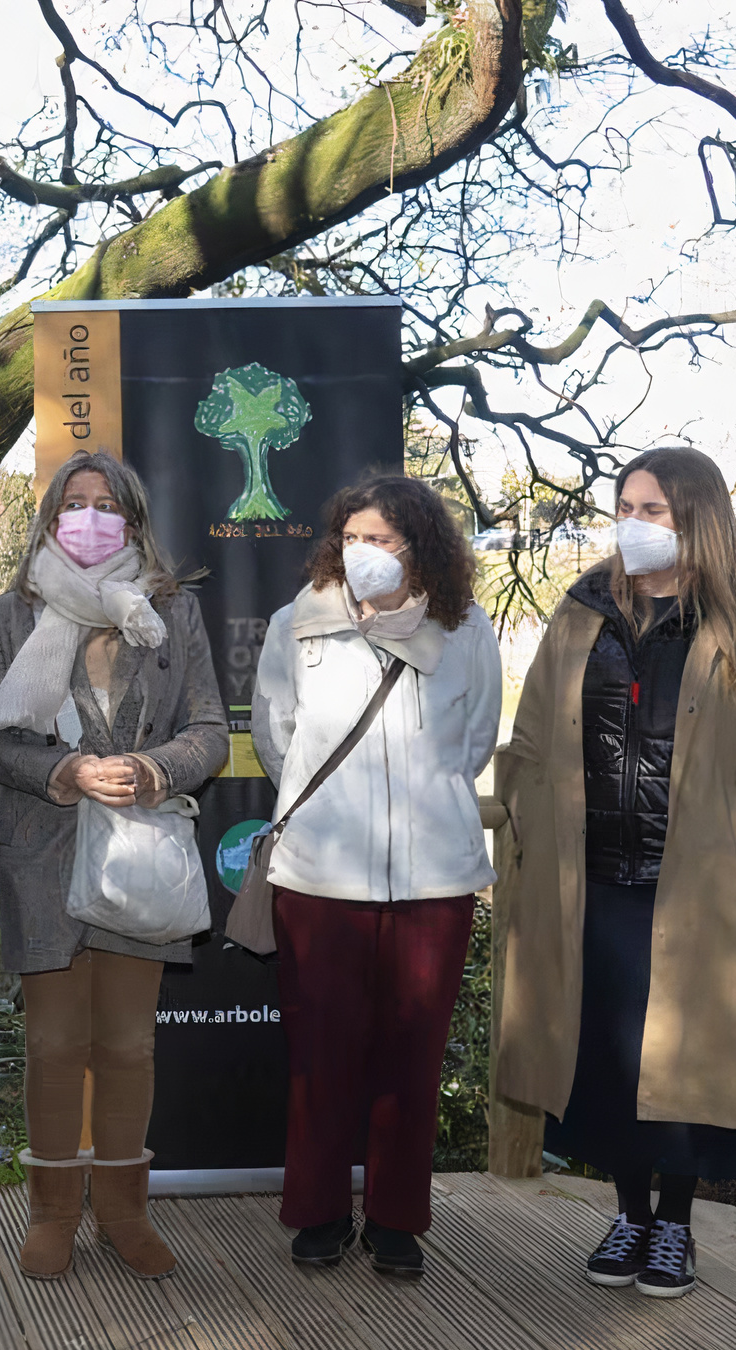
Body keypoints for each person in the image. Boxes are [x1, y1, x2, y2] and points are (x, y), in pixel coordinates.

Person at [497, 447, 736, 1300]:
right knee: (607, 1059)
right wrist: (535, 825)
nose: (636, 525)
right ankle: (630, 1214)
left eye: (658, 512)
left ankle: (674, 1224)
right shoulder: (582, 613)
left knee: (681, 1064)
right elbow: (533, 735)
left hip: (697, 891)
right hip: (592, 882)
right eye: (628, 506)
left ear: (699, 521)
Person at [0, 449, 226, 1283]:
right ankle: (52, 1214)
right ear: (49, 518)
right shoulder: (13, 613)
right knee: (53, 1042)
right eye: (73, 502)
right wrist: (62, 771)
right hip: (45, 847)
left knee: (126, 1046)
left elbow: (212, 730)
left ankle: (122, 1212)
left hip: (139, 853)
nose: (88, 515)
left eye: (104, 503)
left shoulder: (170, 614)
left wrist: (154, 770)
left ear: (133, 520)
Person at [252, 474, 500, 1281]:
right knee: (320, 1055)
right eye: (352, 537)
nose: (364, 553)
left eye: (383, 539)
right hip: (320, 883)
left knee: (413, 1058)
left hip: (434, 884)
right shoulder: (299, 626)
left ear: (420, 548)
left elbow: (475, 740)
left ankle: (397, 1220)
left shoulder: (464, 629)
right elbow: (275, 737)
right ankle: (318, 1213)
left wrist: (422, 810)